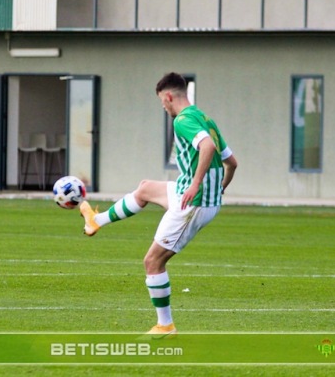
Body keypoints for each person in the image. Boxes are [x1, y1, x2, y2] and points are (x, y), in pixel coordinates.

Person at [79, 72, 238, 338]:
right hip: (194, 194)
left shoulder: (183, 120)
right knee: (145, 189)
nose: (163, 108)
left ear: (168, 97)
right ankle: (97, 220)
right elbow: (232, 163)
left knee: (152, 261)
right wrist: (219, 188)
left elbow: (207, 147)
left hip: (193, 203)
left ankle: (165, 325)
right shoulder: (204, 118)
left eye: (162, 103)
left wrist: (197, 185)